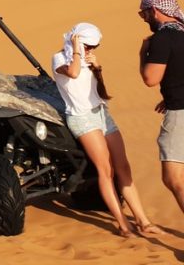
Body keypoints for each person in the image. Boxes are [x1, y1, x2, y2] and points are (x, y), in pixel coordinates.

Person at [52, 23, 163, 237]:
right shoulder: (60, 59)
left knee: (123, 167)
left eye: (95, 46)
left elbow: (102, 93)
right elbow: (73, 73)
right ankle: (123, 224)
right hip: (82, 118)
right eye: (88, 45)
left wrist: (98, 69)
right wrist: (76, 49)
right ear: (76, 40)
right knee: (106, 170)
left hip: (102, 113)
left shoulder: (89, 59)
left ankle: (144, 221)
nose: (90, 50)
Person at [138, 0, 184, 216]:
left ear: (154, 10)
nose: (144, 18)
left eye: (143, 13)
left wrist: (143, 54)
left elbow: (150, 79)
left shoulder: (162, 39)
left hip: (180, 114)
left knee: (173, 178)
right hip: (177, 103)